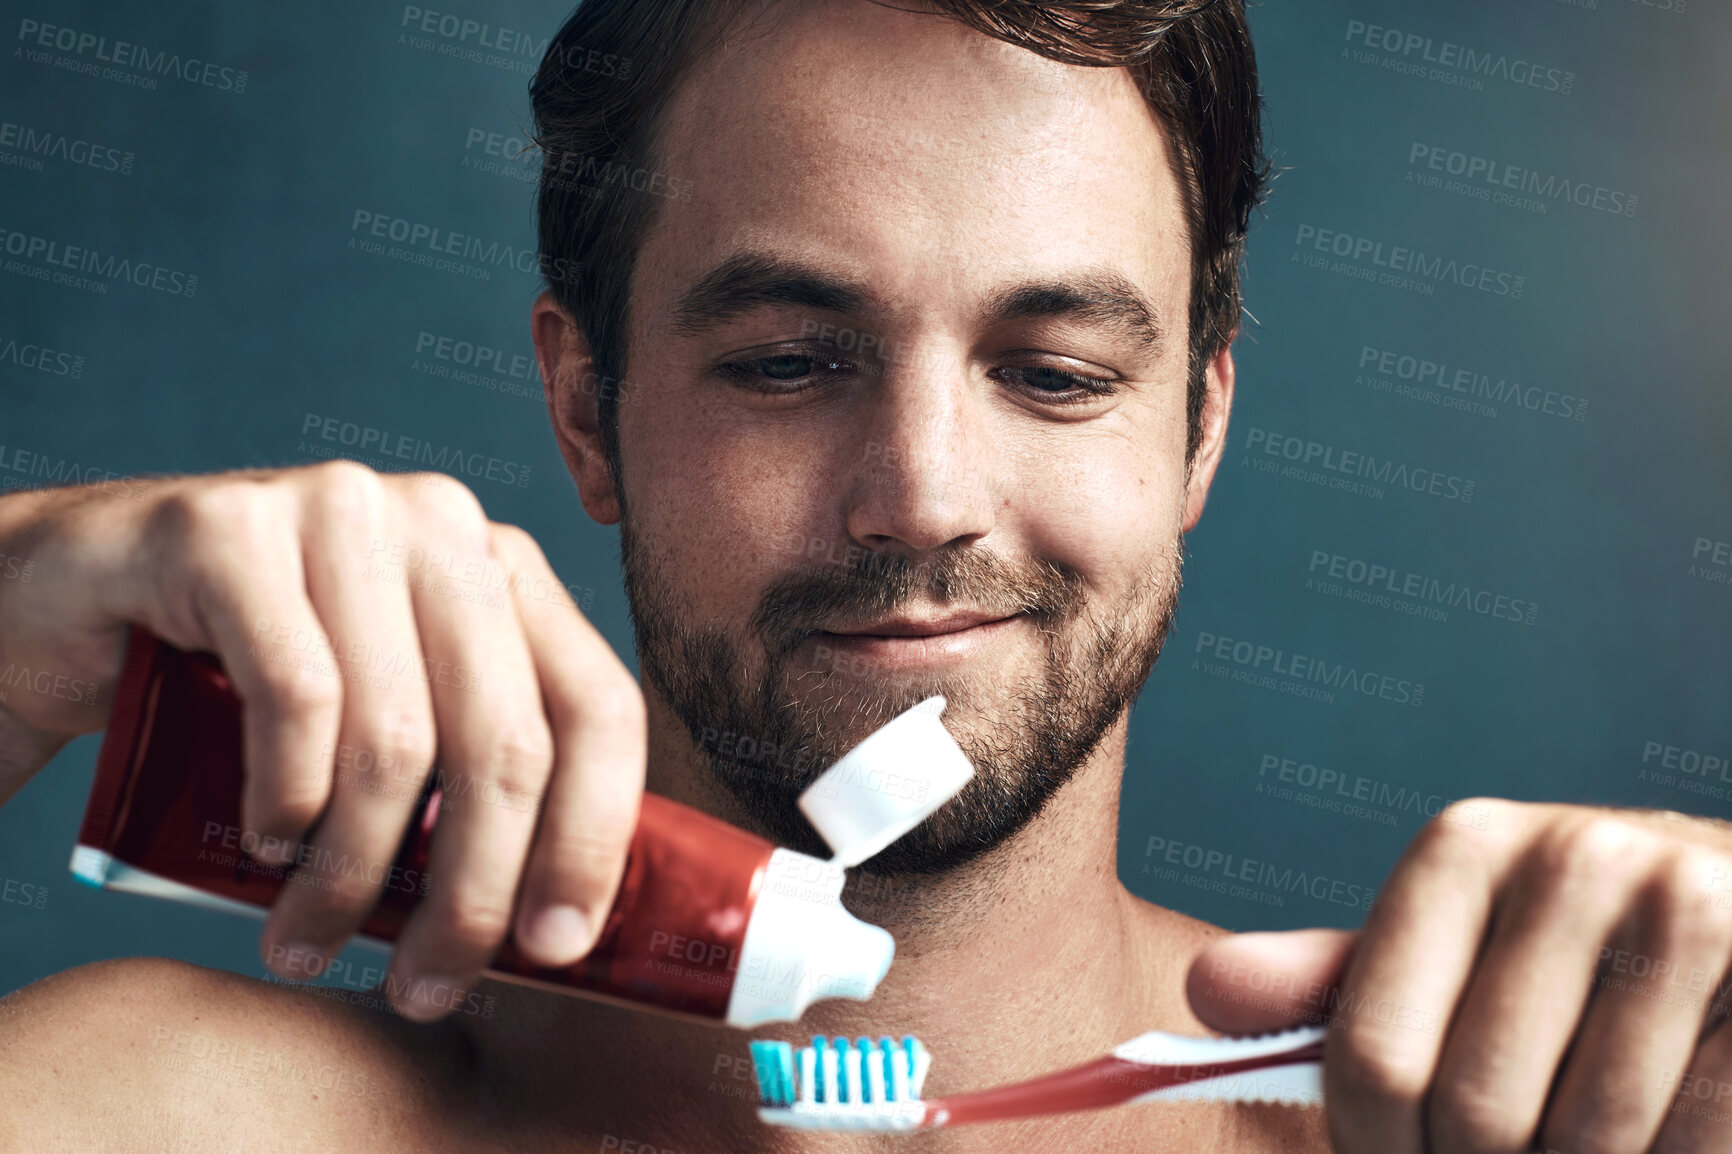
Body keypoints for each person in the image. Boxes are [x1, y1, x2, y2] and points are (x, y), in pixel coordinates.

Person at [0, 1, 1726, 1151]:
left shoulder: (1538, 1126)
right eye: (786, 362)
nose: (921, 498)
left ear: (1198, 432)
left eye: (1053, 370)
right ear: (586, 408)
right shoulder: (138, 1110)